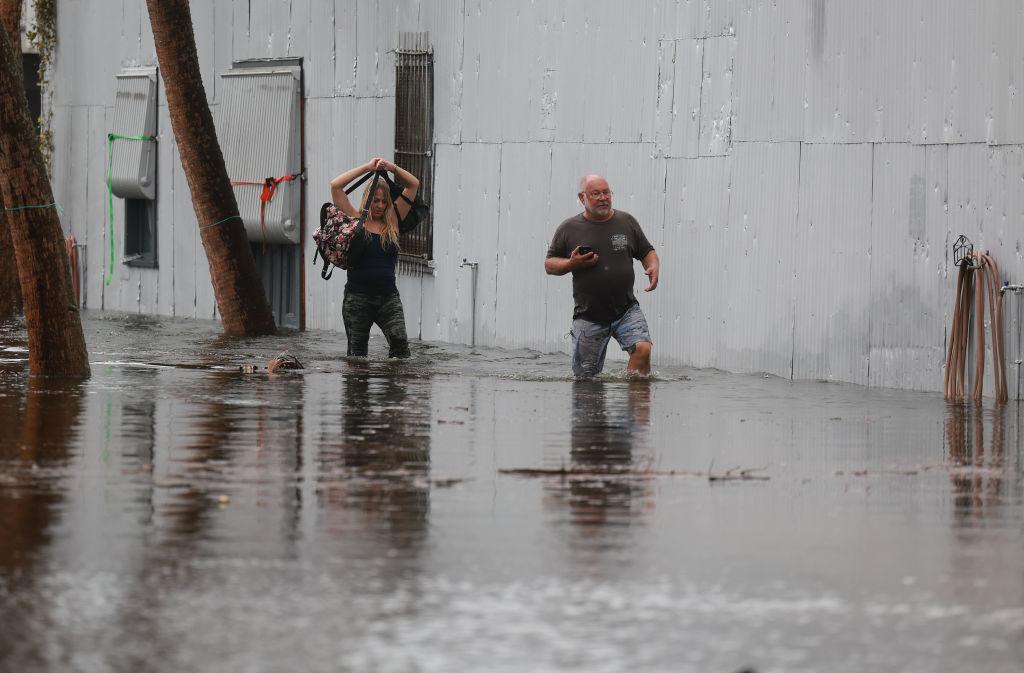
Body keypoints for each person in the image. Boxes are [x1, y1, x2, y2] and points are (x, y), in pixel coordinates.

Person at [545, 174, 660, 377]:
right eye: (596, 193)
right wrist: (571, 263)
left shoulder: (626, 222)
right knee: (586, 380)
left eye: (606, 192)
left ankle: (635, 406)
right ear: (582, 197)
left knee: (643, 349)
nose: (603, 198)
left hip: (626, 309)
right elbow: (550, 264)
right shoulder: (569, 228)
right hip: (589, 315)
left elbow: (646, 251)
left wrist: (653, 266)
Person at [329, 158, 421, 358]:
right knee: (357, 355)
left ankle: (394, 386)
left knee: (400, 348)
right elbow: (336, 186)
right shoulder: (355, 220)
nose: (380, 205)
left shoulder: (394, 222)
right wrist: (367, 168)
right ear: (368, 199)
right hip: (357, 298)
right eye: (375, 200)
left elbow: (413, 184)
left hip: (388, 298)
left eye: (384, 201)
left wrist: (391, 168)